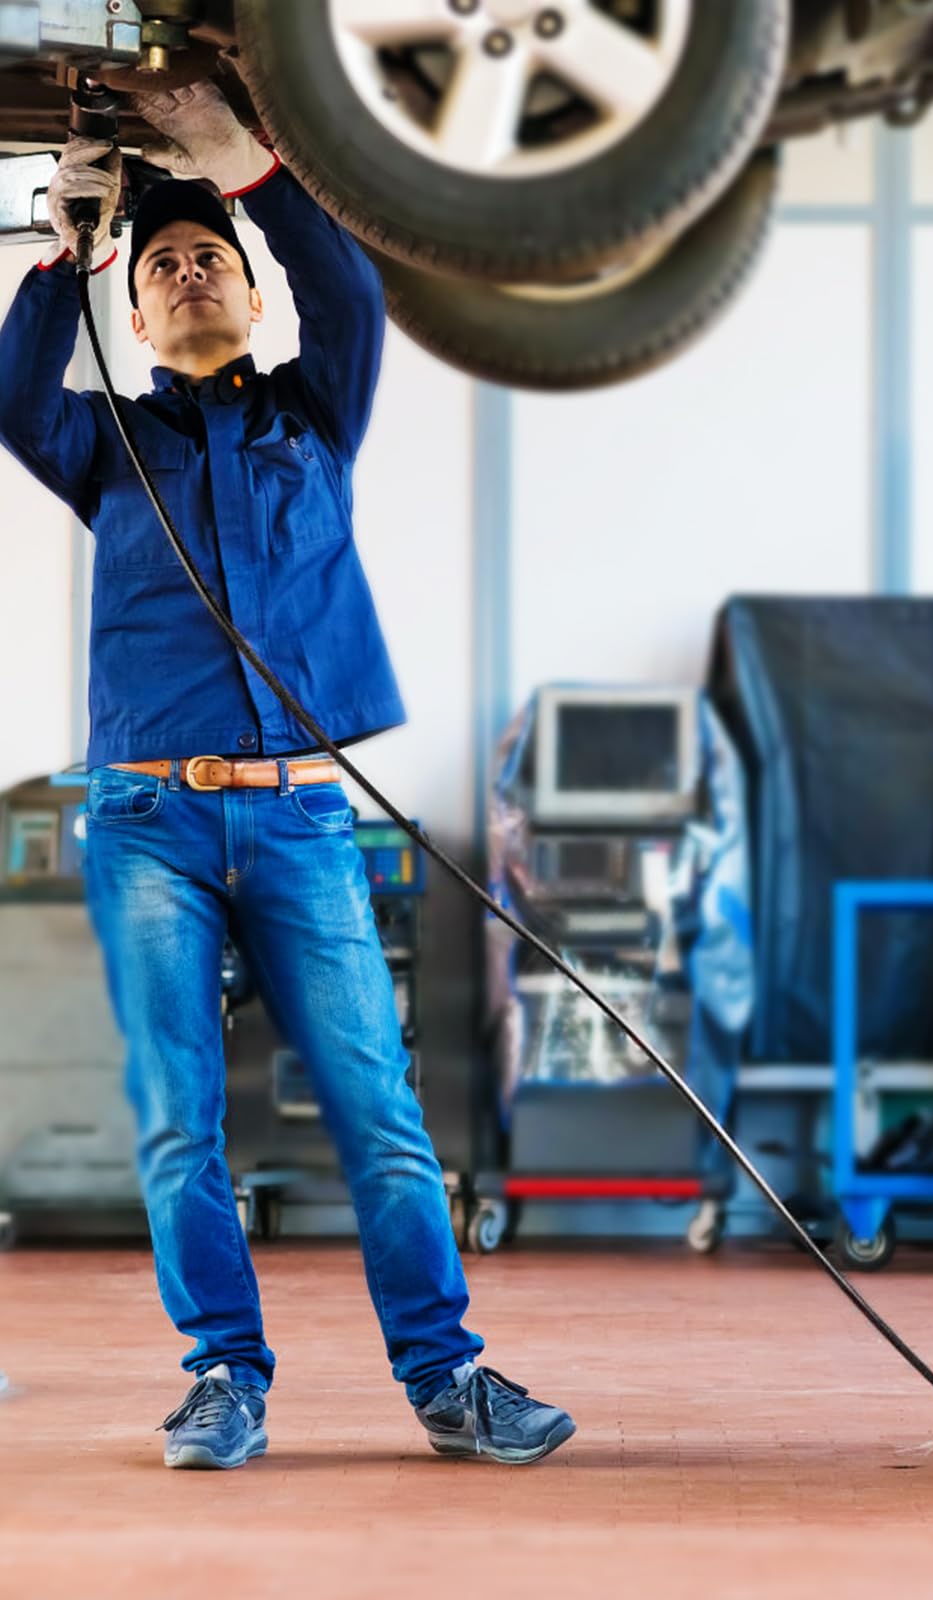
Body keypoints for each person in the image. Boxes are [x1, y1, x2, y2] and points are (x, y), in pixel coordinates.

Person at [0, 84, 575, 1471]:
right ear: (136, 321)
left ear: (253, 300)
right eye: (161, 268)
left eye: (211, 259)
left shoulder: (315, 421)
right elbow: (14, 394)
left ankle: (447, 1379)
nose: (187, 273)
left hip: (302, 816)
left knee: (380, 1113)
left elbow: (354, 295)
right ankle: (224, 1378)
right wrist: (68, 252)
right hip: (147, 823)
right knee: (179, 1123)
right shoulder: (105, 447)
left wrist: (245, 172)